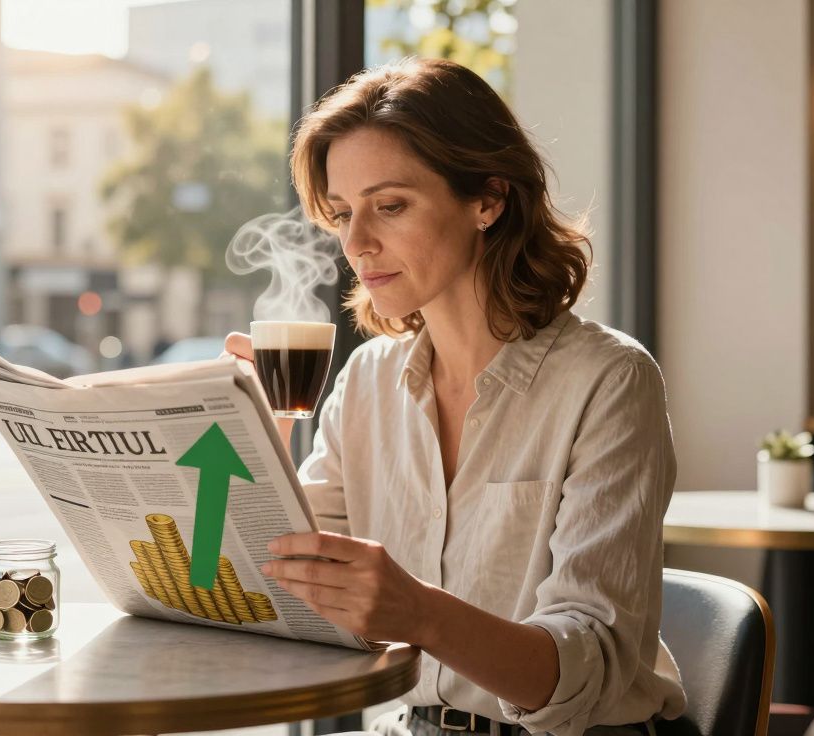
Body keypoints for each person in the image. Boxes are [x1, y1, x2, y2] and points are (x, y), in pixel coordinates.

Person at [224, 58, 686, 736]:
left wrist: (420, 613)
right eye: (343, 213)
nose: (356, 243)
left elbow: (585, 676)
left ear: (487, 200)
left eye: (390, 206)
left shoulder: (608, 381)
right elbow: (275, 592)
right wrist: (253, 448)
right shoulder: (367, 381)